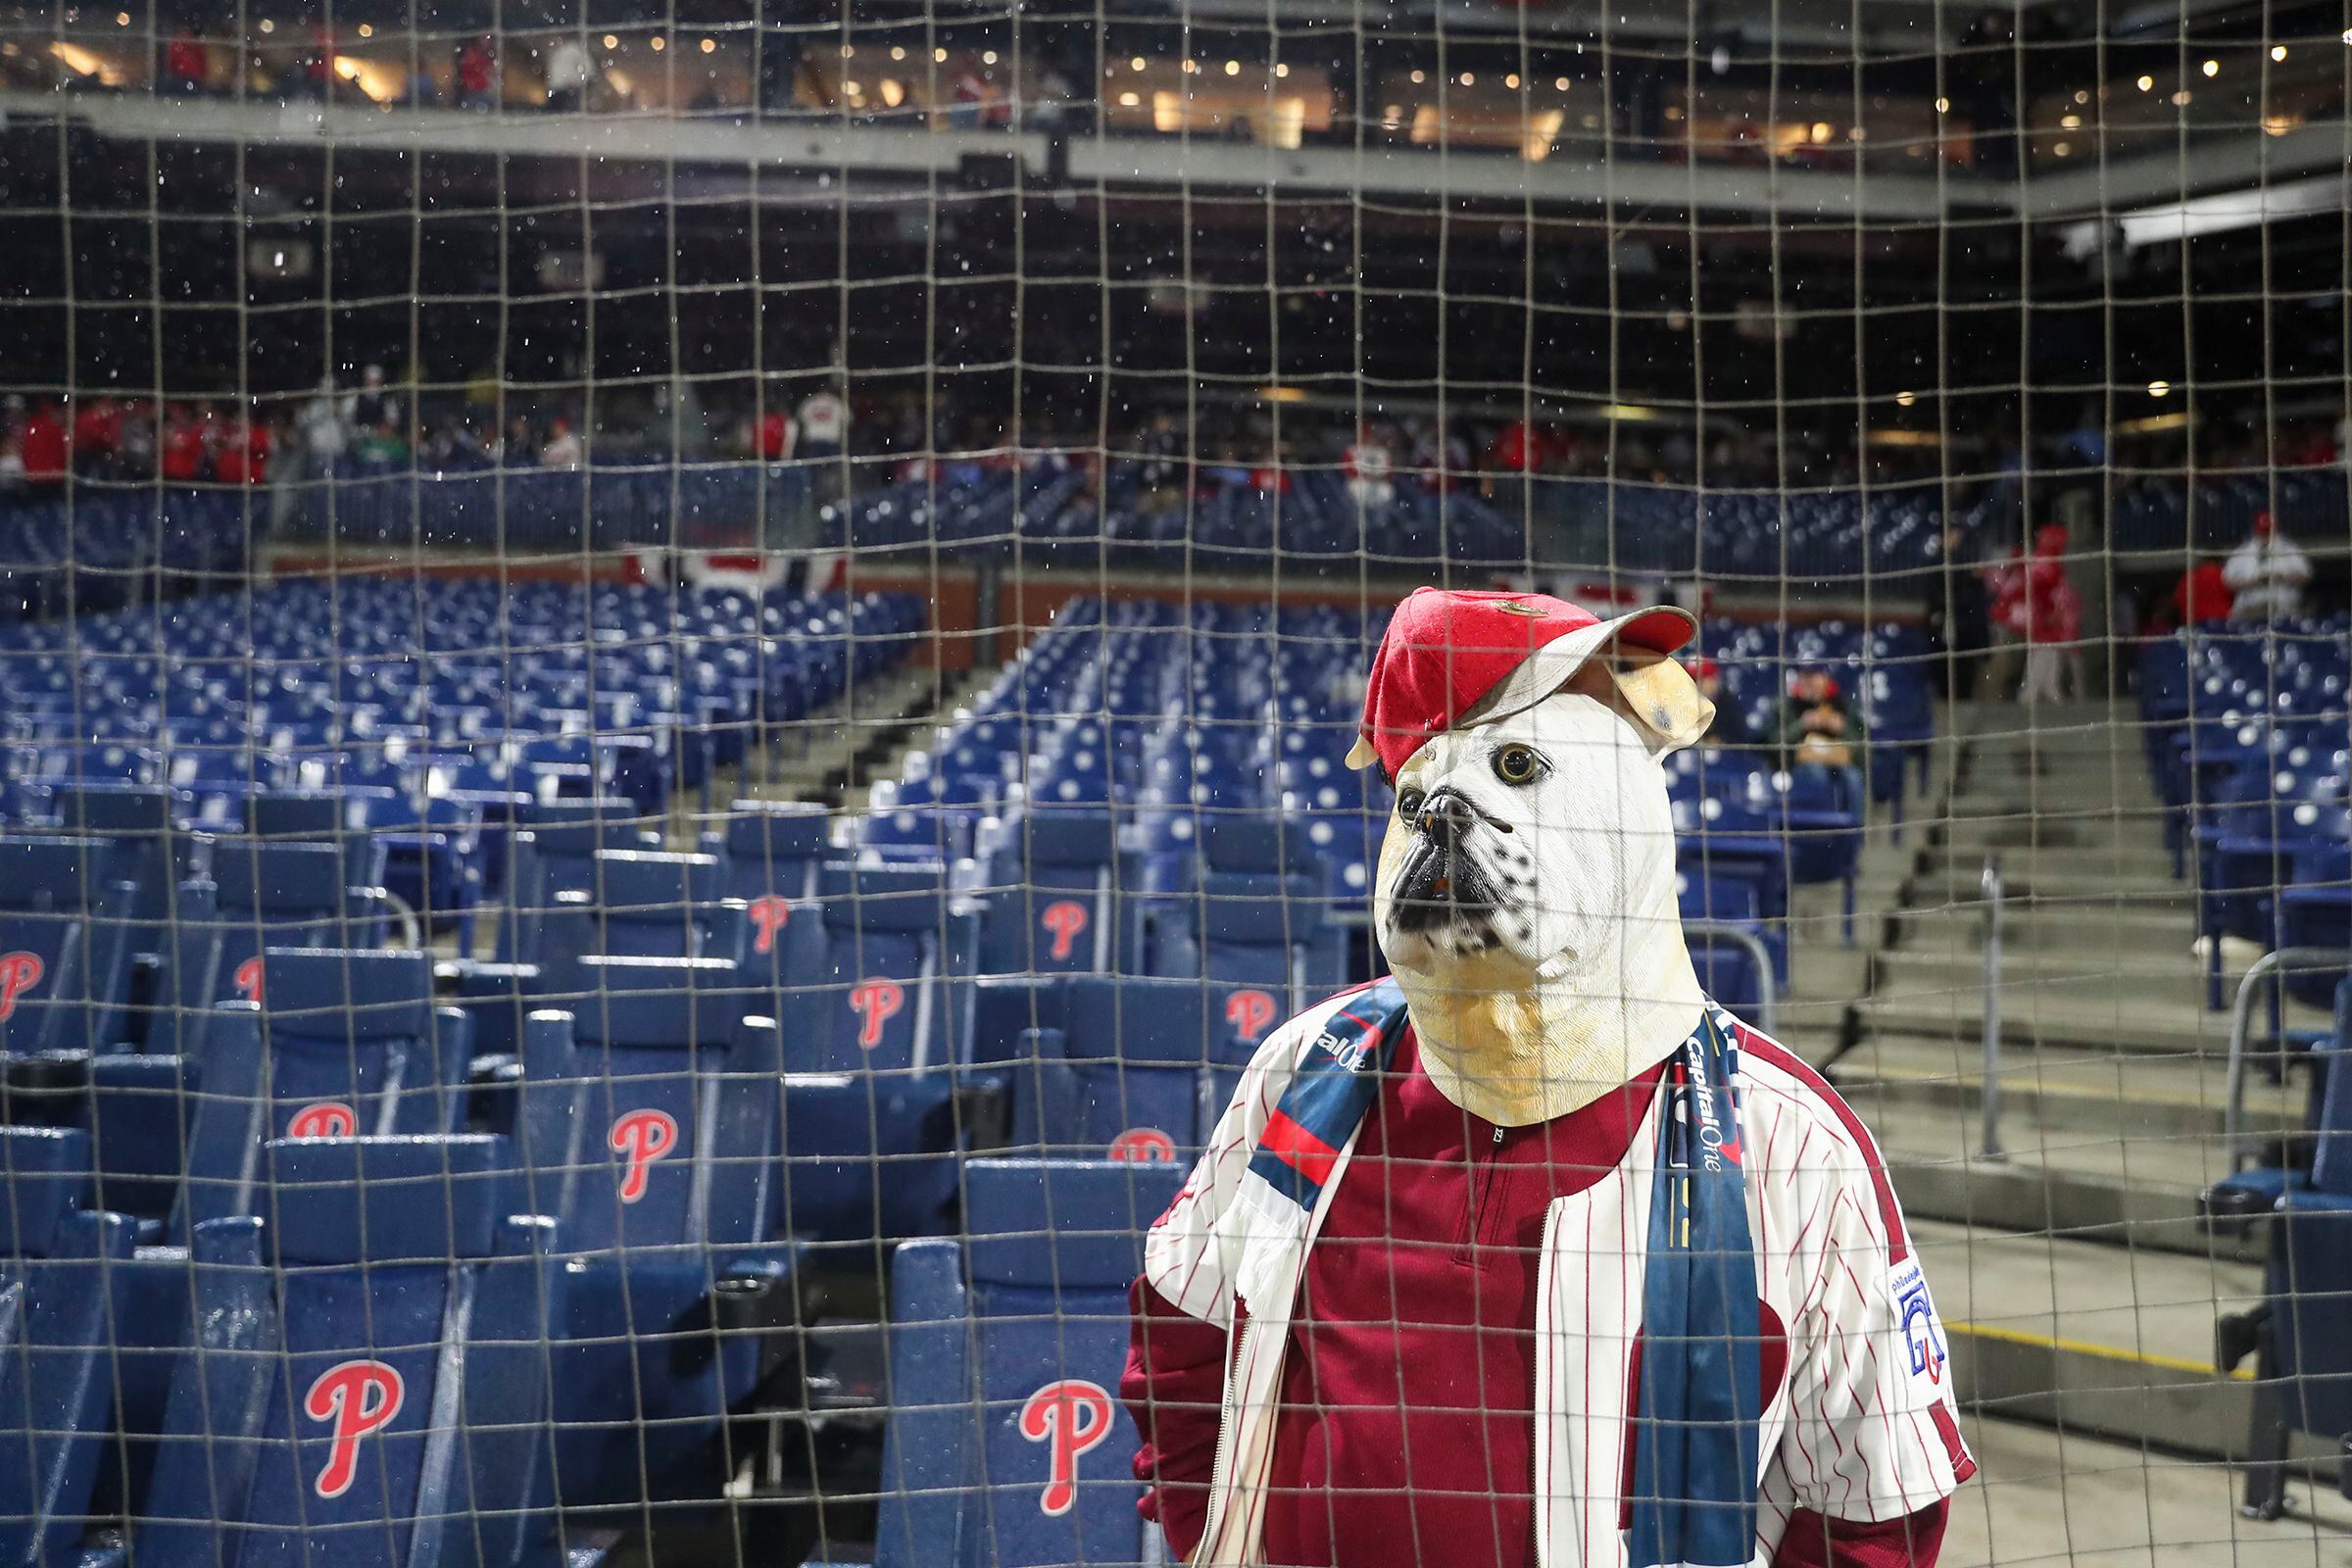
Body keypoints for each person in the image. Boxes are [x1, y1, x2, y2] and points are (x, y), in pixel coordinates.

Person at [1124, 588, 1973, 1568]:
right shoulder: (1304, 1069)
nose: (1441, 815)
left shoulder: (1794, 1143)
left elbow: (1877, 1508)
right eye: (1414, 795)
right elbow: (1178, 1338)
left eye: (1519, 768)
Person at [2014, 523, 2082, 705]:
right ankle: (2031, 692)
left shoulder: (2048, 561)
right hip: (2042, 616)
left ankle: (2048, 689)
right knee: (2045, 650)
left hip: (2045, 617)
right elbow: (2039, 590)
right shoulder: (2045, 563)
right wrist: (2048, 612)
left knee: (2049, 651)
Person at [2223, 510, 2312, 624]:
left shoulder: (2289, 549)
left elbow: (2306, 574)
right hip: (2251, 610)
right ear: (2256, 530)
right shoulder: (2242, 552)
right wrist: (2254, 581)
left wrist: (2281, 577)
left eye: (2268, 532)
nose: (2265, 536)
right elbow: (2227, 581)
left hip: (2284, 609)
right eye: (2262, 532)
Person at [1773, 662, 1862, 771]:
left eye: (1811, 676)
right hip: (1799, 772)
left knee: (1851, 775)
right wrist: (1802, 725)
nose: (1805, 681)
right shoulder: (1787, 705)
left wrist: (1842, 728)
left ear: (1825, 677)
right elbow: (1771, 746)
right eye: (1802, 675)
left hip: (1842, 769)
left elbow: (1864, 753)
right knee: (1815, 770)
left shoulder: (1844, 704)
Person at [543, 32, 593, 111]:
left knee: (570, 114)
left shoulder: (573, 50)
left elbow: (588, 68)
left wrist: (577, 81)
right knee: (557, 116)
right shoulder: (554, 53)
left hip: (569, 90)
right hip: (555, 90)